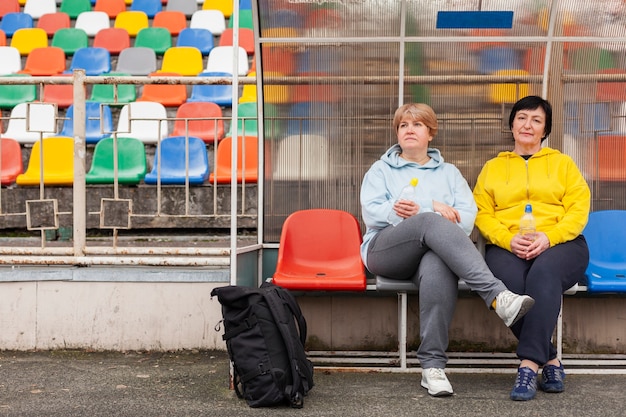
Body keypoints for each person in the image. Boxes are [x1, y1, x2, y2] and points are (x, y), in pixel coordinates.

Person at [360, 102, 535, 397]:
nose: (409, 130)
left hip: (434, 254)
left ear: (431, 133)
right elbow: (374, 214)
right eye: (403, 125)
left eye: (416, 125)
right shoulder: (381, 170)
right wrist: (431, 208)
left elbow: (466, 219)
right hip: (386, 250)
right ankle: (497, 295)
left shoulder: (450, 173)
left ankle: (432, 367)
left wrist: (425, 214)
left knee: (437, 264)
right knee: (429, 221)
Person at [473, 95, 590, 401]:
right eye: (522, 117)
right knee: (509, 287)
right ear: (511, 124)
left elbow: (578, 210)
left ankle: (527, 365)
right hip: (507, 244)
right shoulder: (493, 167)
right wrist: (506, 238)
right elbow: (482, 212)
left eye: (537, 120)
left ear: (545, 130)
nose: (528, 125)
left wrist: (549, 237)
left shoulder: (562, 164)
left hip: (561, 243)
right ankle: (550, 360)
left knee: (544, 274)